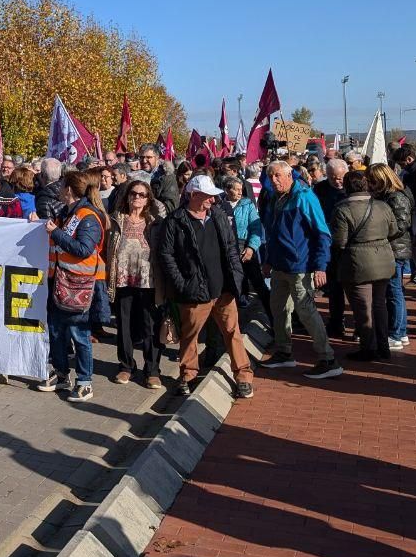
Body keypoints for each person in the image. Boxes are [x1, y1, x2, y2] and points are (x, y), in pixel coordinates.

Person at [155, 175, 254, 399]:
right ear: (194, 195)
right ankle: (188, 375)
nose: (213, 199)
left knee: (233, 333)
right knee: (190, 336)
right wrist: (182, 283)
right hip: (194, 292)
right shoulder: (175, 220)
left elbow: (230, 247)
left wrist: (236, 275)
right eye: (208, 195)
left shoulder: (218, 215)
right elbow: (166, 256)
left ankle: (243, 376)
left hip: (224, 289)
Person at [258, 160, 343, 380]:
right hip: (279, 266)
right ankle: (284, 351)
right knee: (279, 309)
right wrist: (268, 260)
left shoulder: (304, 197)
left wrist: (320, 266)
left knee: (306, 311)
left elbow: (322, 233)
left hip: (301, 267)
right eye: (270, 177)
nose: (274, 180)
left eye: (278, 176)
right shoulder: (275, 199)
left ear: (289, 176)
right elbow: (273, 234)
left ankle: (327, 358)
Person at [38, 170, 106, 402]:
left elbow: (83, 249)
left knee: (79, 335)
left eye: (62, 185)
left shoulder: (88, 216)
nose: (58, 189)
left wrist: (55, 232)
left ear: (69, 189)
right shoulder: (68, 213)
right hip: (60, 283)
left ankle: (85, 382)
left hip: (80, 285)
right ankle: (61, 374)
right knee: (56, 332)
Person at [329, 170, 400, 362]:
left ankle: (369, 347)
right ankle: (383, 346)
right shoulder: (382, 206)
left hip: (357, 262)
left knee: (363, 307)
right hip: (383, 259)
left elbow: (339, 241)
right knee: (379, 305)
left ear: (346, 186)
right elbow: (394, 231)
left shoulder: (342, 209)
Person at [105, 178, 167, 388]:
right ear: (127, 196)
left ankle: (152, 370)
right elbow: (108, 250)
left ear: (148, 198)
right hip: (123, 280)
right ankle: (126, 366)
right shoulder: (116, 220)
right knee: (124, 324)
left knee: (150, 325)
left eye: (142, 195)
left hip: (148, 281)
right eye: (133, 194)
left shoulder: (155, 222)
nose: (137, 198)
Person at [367, 162, 415, 350]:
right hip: (392, 248)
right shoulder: (388, 196)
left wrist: (380, 233)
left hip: (395, 249)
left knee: (394, 291)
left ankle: (397, 332)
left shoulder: (396, 197)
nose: (371, 184)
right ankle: (399, 331)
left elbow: (401, 225)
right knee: (393, 291)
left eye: (373, 180)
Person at [222, 174, 270, 330]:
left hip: (245, 247)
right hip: (228, 250)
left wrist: (251, 247)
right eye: (235, 189)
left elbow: (256, 228)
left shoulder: (247, 205)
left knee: (258, 284)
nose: (239, 192)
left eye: (240, 189)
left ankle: (273, 320)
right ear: (226, 190)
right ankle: (233, 325)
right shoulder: (220, 206)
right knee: (232, 288)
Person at [313, 159, 348, 338]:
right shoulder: (320, 190)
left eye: (340, 178)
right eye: (333, 178)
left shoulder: (352, 187)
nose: (337, 182)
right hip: (329, 242)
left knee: (353, 288)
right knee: (334, 288)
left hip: (348, 245)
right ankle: (336, 322)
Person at [141, 147, 176, 214]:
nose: (144, 161)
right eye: (142, 157)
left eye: (148, 157)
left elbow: (171, 206)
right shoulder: (137, 175)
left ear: (157, 158)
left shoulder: (167, 177)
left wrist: (153, 206)